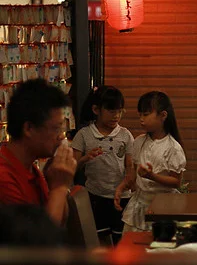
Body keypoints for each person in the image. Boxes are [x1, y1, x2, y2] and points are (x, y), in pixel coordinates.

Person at [0, 78, 76, 226]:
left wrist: (59, 182)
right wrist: (59, 187)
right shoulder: (4, 178)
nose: (61, 136)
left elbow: (62, 222)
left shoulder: (31, 169)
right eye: (56, 128)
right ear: (29, 128)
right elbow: (39, 244)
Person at [71, 86, 134, 245]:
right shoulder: (84, 135)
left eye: (120, 111)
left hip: (121, 199)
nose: (116, 116)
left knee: (121, 241)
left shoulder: (125, 135)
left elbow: (130, 167)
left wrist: (126, 185)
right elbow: (72, 168)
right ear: (96, 110)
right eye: (112, 111)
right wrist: (86, 158)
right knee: (99, 241)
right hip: (95, 198)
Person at [115, 91, 186, 232]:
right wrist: (121, 188)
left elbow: (176, 181)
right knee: (131, 246)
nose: (141, 119)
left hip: (163, 205)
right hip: (139, 203)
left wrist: (151, 176)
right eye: (140, 114)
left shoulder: (172, 147)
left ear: (163, 115)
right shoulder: (139, 142)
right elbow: (133, 176)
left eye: (146, 114)